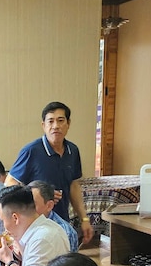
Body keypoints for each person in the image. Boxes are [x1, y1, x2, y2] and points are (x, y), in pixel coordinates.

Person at [7, 101, 93, 244]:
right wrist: (40, 194)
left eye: (60, 120)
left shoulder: (73, 151)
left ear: (68, 123)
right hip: (34, 226)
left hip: (62, 222)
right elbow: (9, 183)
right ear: (43, 125)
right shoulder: (31, 151)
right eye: (50, 121)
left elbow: (73, 185)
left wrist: (84, 218)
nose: (55, 126)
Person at [29, 179, 79, 252]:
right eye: (24, 204)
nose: (26, 209)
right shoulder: (20, 222)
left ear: (49, 206)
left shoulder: (66, 232)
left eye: (32, 205)